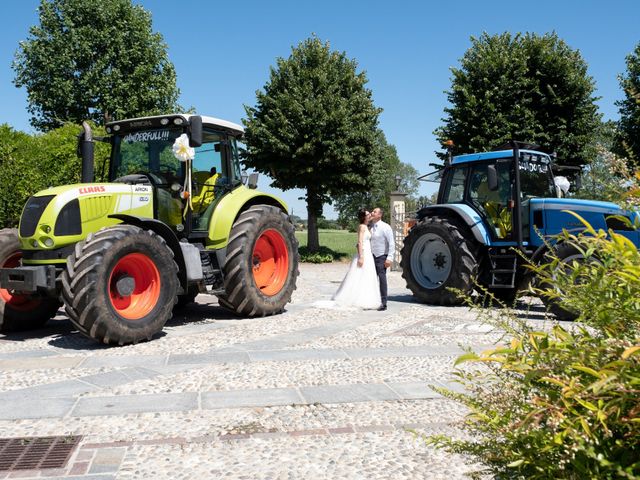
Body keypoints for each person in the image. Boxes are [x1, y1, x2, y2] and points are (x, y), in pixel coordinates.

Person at [329, 209, 381, 309]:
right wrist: (361, 256)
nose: (370, 215)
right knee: (359, 274)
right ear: (364, 217)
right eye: (368, 214)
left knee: (366, 276)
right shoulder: (362, 227)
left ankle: (365, 297)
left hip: (368, 254)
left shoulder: (367, 227)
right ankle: (353, 298)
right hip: (364, 253)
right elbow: (360, 242)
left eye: (370, 213)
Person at [369, 207, 395, 311]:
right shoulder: (370, 226)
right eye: (372, 211)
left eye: (374, 212)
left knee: (382, 279)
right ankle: (372, 300)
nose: (372, 212)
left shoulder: (386, 227)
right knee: (371, 279)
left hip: (381, 256)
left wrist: (389, 258)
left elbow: (392, 243)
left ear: (380, 215)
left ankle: (384, 302)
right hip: (371, 256)